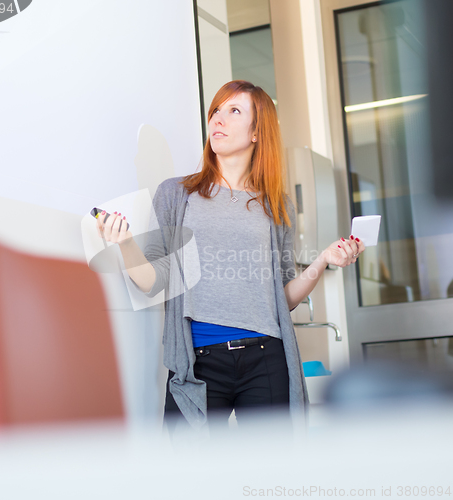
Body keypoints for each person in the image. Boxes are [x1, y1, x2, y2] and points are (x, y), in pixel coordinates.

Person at [96, 80, 365, 435]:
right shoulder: (177, 194)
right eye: (216, 111)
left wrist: (321, 262)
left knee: (268, 475)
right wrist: (125, 243)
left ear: (256, 132)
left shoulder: (278, 205)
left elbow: (282, 299)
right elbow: (149, 282)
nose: (218, 120)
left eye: (233, 111)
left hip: (266, 357)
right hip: (198, 363)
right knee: (190, 477)